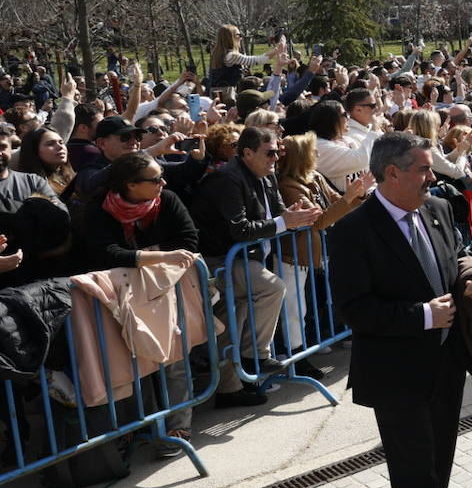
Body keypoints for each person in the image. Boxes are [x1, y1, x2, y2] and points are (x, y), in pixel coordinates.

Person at [327, 132, 472, 488]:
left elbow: (455, 261)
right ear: (391, 173)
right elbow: (354, 309)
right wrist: (421, 316)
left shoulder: (439, 209)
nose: (432, 176)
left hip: (447, 362)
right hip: (395, 373)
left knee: (440, 456)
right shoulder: (353, 231)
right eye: (422, 169)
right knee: (413, 470)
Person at [80, 151, 201, 457]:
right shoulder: (98, 210)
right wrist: (162, 256)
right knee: (134, 361)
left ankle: (178, 425)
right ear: (131, 185)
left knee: (174, 356)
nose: (163, 182)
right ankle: (144, 426)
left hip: (164, 289)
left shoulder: (167, 200)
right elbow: (106, 253)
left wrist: (148, 259)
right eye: (155, 178)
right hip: (121, 298)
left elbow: (188, 241)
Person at [191, 126, 321, 408]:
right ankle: (255, 354)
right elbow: (239, 228)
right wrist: (286, 222)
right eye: (270, 153)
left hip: (244, 257)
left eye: (278, 152)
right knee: (271, 288)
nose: (276, 158)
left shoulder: (266, 175)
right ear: (247, 153)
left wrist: (293, 214)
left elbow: (276, 214)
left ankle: (231, 389)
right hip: (220, 260)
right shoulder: (228, 178)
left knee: (231, 322)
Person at [276, 133, 371, 380]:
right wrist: (348, 199)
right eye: (312, 150)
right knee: (296, 308)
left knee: (309, 305)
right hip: (294, 255)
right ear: (301, 156)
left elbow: (338, 203)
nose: (318, 154)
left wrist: (359, 194)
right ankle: (297, 358)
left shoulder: (315, 176)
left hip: (315, 253)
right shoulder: (287, 185)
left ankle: (306, 349)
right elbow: (318, 222)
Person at [207, 23, 284, 91]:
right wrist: (277, 50)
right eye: (238, 35)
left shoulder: (216, 55)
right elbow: (256, 60)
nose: (241, 38)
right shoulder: (231, 56)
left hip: (219, 94)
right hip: (229, 96)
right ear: (230, 38)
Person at [15, 125, 76, 196]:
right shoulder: (27, 186)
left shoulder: (73, 177)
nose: (60, 147)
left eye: (61, 142)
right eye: (50, 144)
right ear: (34, 151)